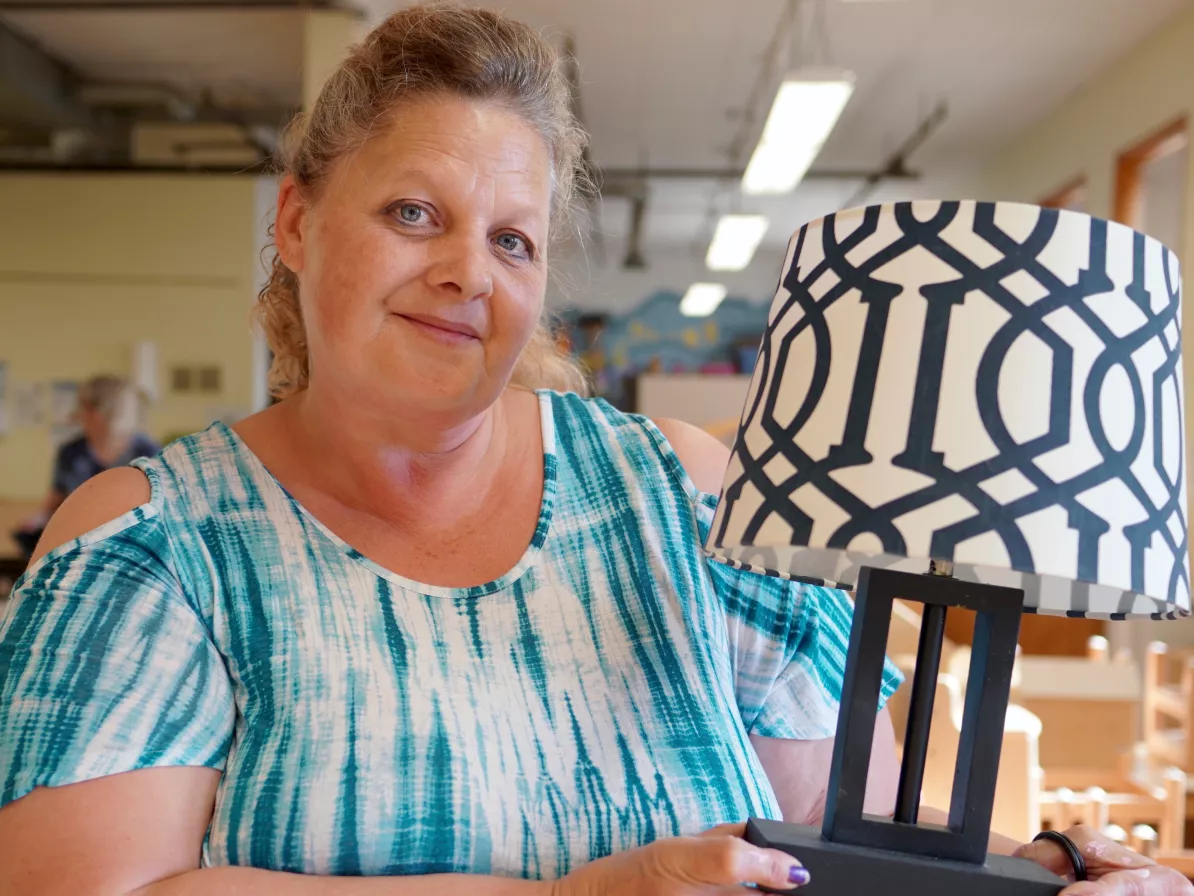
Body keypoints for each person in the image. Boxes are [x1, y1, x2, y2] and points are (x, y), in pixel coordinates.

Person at [0, 6, 1185, 896]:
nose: (469, 270)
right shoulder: (154, 542)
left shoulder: (688, 499)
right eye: (416, 212)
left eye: (512, 239)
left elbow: (848, 830)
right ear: (298, 222)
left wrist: (1041, 867)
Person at [10, 374, 159, 558]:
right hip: (78, 546)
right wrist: (35, 521)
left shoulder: (147, 452)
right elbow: (54, 502)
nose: (81, 414)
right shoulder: (71, 453)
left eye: (87, 407)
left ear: (101, 411)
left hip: (132, 548)